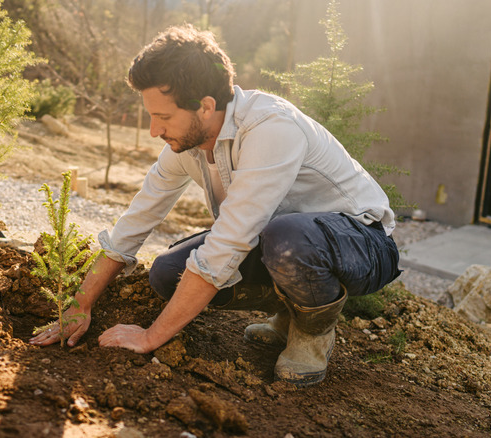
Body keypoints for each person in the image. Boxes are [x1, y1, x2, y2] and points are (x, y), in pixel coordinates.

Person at [30, 24, 401, 387]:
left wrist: (150, 336)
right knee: (166, 274)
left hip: (362, 242)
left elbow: (229, 243)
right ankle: (288, 311)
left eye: (163, 117)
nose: (153, 131)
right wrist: (80, 304)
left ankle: (312, 332)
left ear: (205, 106)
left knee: (286, 237)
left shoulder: (271, 128)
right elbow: (136, 222)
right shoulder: (186, 144)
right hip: (279, 240)